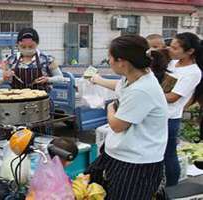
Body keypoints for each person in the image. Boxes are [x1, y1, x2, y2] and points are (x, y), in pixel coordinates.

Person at [86, 35, 168, 200]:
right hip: (118, 153)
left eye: (110, 57)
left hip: (135, 162)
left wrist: (110, 108)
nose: (108, 61)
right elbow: (119, 86)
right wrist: (98, 80)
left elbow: (117, 125)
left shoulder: (142, 90)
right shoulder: (134, 77)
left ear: (122, 61)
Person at [164, 32, 203, 186]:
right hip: (158, 114)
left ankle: (172, 188)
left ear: (190, 51)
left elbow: (173, 97)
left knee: (169, 155)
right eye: (170, 45)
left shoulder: (193, 72)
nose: (169, 49)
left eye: (174, 48)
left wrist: (149, 92)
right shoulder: (172, 63)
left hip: (170, 118)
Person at [0, 28, 64, 91]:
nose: (27, 49)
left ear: (37, 43)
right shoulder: (10, 60)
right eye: (23, 47)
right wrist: (4, 79)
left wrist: (48, 79)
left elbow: (61, 78)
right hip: (16, 101)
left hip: (41, 101)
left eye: (31, 47)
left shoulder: (47, 59)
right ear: (17, 44)